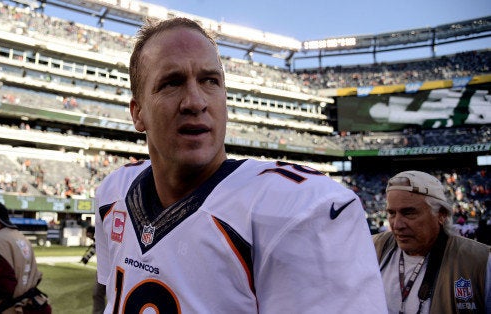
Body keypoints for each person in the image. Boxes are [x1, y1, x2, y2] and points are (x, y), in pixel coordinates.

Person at [94, 17, 387, 313]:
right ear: (138, 112)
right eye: (171, 83)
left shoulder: (299, 209)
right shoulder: (114, 192)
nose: (195, 101)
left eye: (210, 81)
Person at [373, 170, 491, 314]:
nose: (397, 225)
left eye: (409, 213)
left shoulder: (480, 262)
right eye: (391, 213)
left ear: (441, 215)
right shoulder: (372, 248)